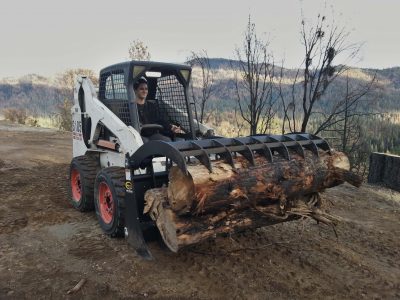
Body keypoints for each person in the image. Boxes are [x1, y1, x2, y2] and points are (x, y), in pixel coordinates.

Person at [133, 77, 181, 142]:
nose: (144, 91)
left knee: (167, 141)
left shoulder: (151, 106)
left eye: (146, 89)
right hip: (138, 136)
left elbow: (159, 120)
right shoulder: (129, 107)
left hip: (153, 134)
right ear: (135, 90)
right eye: (141, 89)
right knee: (144, 144)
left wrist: (171, 127)